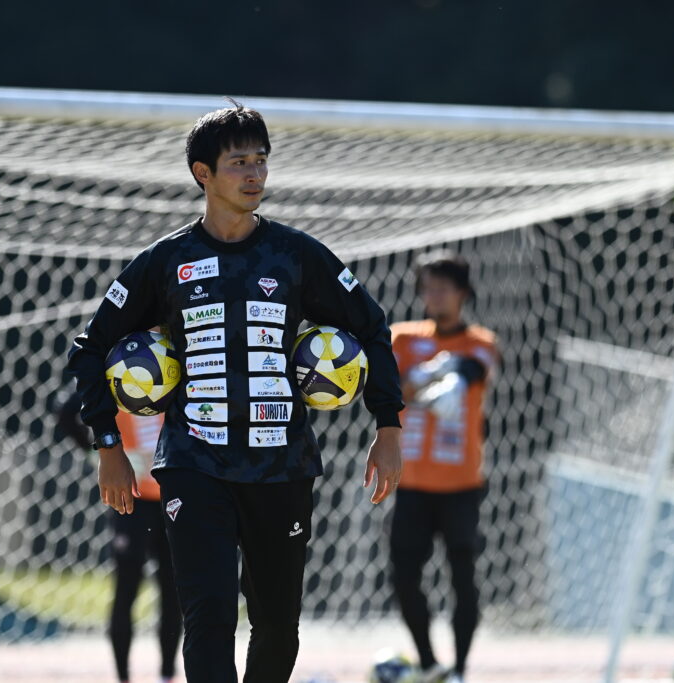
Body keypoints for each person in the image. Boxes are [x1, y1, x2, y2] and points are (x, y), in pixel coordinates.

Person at [66, 100, 403, 683]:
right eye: (239, 162)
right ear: (203, 173)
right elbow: (90, 347)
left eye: (261, 160)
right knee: (209, 619)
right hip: (194, 465)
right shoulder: (166, 261)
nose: (254, 174)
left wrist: (388, 425)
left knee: (277, 626)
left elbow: (372, 328)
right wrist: (108, 445)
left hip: (282, 466)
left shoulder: (296, 254)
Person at [388, 252, 501, 683]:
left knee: (463, 577)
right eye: (428, 288)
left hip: (462, 485)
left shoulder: (481, 341)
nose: (434, 296)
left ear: (463, 293)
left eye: (443, 288)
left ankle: (460, 670)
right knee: (403, 575)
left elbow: (475, 369)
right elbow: (390, 388)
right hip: (411, 483)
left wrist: (445, 375)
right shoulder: (401, 338)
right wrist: (429, 377)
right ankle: (429, 664)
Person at [57, 391, 182, 683]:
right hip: (131, 500)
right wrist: (100, 452)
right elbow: (66, 411)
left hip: (173, 497)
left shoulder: (175, 371)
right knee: (127, 587)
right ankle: (123, 676)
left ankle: (167, 674)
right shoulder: (117, 374)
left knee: (173, 590)